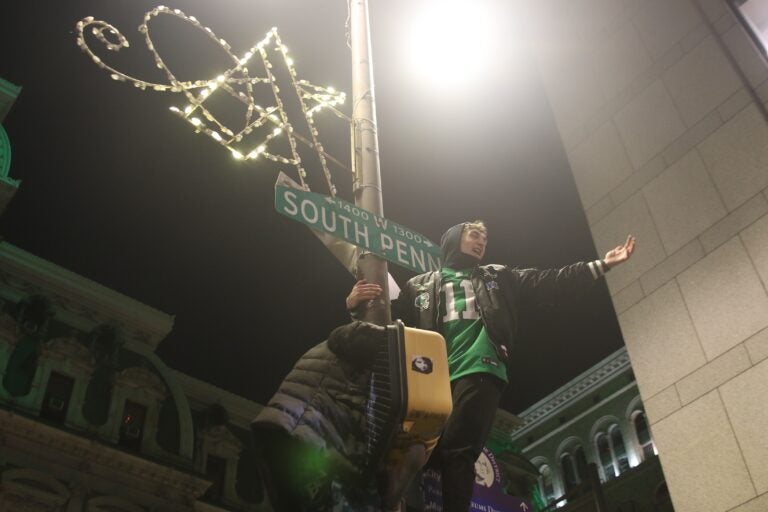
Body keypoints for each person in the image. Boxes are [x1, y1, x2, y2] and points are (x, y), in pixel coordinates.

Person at [346, 221, 636, 512]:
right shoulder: (418, 285)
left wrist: (602, 265)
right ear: (454, 239)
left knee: (458, 448)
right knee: (419, 449)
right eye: (474, 235)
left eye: (485, 238)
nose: (481, 241)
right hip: (433, 376)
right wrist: (354, 305)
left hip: (482, 368)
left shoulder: (499, 277)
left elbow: (550, 281)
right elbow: (382, 324)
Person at [251, 321, 389, 512]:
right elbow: (366, 335)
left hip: (300, 438)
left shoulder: (341, 351)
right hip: (312, 440)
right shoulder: (362, 346)